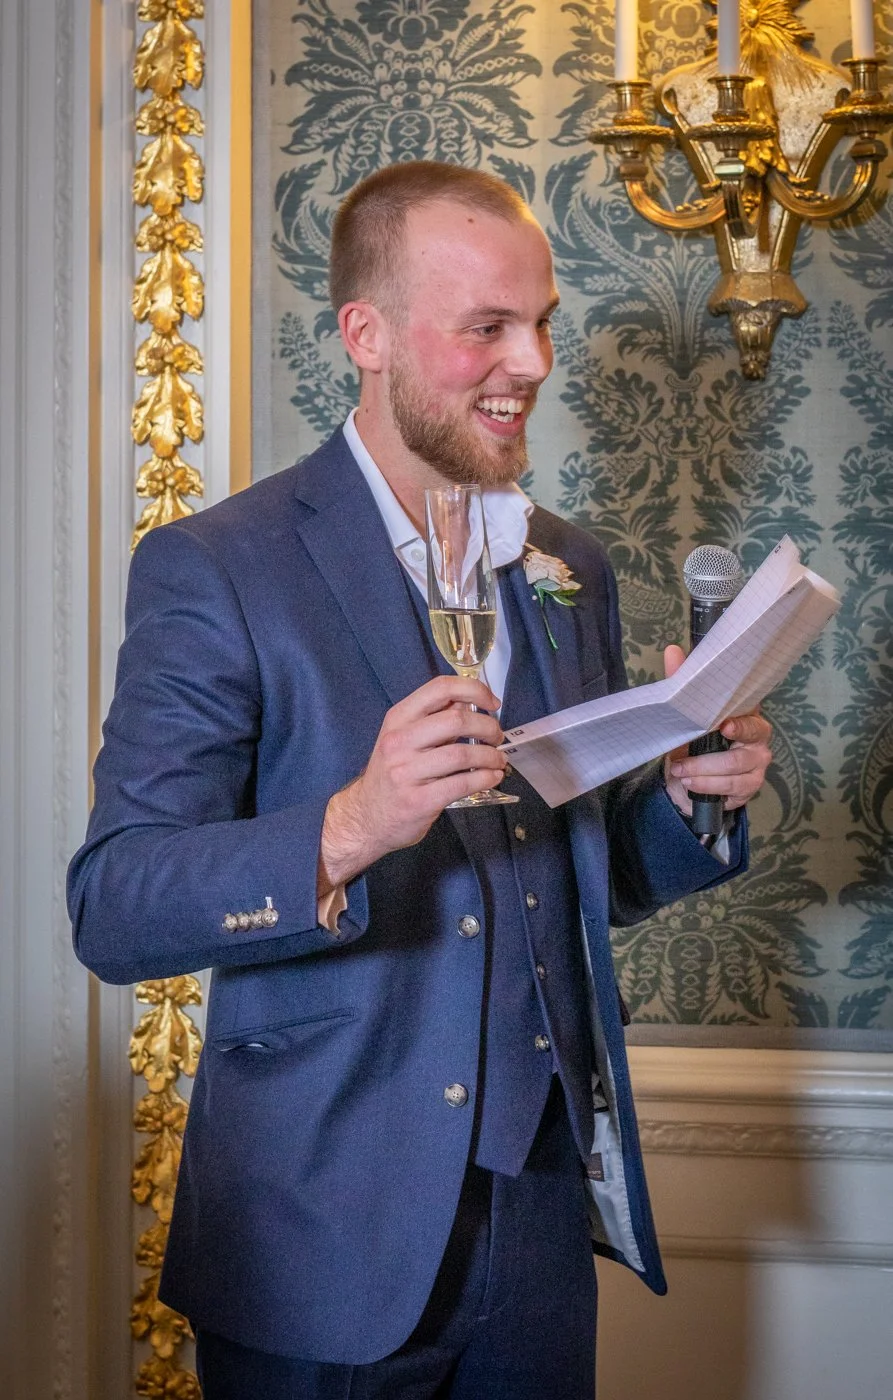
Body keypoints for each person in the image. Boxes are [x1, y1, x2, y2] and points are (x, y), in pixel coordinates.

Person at [68, 161, 772, 1399]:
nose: (534, 362)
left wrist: (682, 796)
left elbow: (568, 876)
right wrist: (347, 825)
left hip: (542, 1224)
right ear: (367, 336)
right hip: (317, 1234)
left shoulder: (569, 565)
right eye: (487, 326)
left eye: (541, 320)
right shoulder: (217, 567)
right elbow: (117, 903)